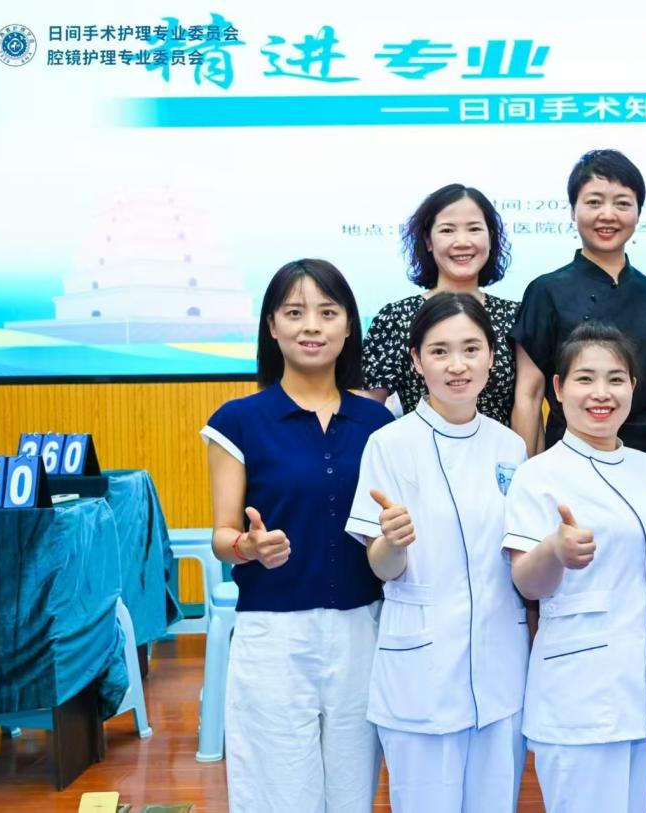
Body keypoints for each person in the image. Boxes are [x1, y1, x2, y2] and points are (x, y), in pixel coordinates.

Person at [201, 259, 393, 813]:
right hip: (275, 633)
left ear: (348, 326)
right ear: (272, 326)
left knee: (353, 789)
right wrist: (248, 547)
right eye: (294, 313)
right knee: (278, 788)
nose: (312, 326)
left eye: (327, 313)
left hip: (363, 628)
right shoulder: (238, 421)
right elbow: (222, 534)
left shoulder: (379, 426)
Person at [346, 293, 529, 813]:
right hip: (422, 670)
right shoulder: (389, 444)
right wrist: (391, 542)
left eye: (471, 349)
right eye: (440, 351)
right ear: (416, 360)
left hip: (500, 664)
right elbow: (382, 567)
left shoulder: (510, 448)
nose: (457, 365)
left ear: (492, 357)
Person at [502, 322, 646, 813]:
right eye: (585, 379)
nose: (601, 393)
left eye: (616, 379)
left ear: (634, 387)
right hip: (578, 692)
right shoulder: (538, 475)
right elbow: (527, 583)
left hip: (642, 682)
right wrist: (554, 551)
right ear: (559, 388)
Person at [511, 149, 646, 470]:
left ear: (639, 212)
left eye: (622, 203)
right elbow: (528, 395)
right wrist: (527, 476)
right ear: (573, 211)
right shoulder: (546, 291)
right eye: (594, 202)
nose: (608, 215)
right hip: (569, 462)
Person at [362, 184, 519, 424]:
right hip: (415, 447)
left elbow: (529, 400)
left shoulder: (516, 316)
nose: (462, 242)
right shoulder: (396, 317)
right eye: (447, 230)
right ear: (428, 241)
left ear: (490, 237)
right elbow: (368, 409)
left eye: (474, 229)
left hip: (500, 447)